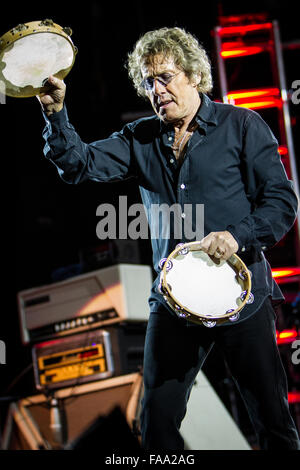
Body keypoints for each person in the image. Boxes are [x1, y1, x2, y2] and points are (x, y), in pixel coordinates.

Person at [38, 27, 300, 450]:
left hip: (242, 294)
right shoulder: (139, 138)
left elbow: (282, 203)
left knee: (272, 420)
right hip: (173, 302)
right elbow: (79, 165)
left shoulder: (243, 125)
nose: (156, 90)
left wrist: (236, 236)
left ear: (194, 75)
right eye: (147, 82)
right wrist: (55, 114)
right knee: (156, 424)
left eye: (165, 77)